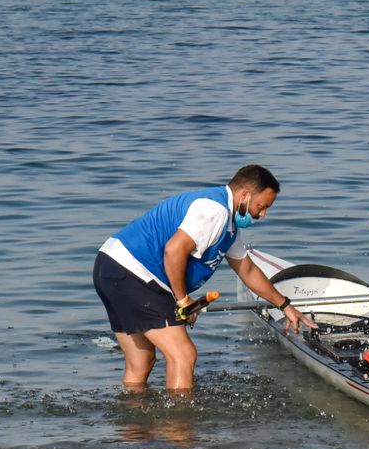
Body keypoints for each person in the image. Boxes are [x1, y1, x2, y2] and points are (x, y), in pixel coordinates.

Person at [94, 164, 314, 391]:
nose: (263, 214)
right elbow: (174, 250)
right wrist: (182, 301)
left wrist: (285, 305)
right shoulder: (215, 212)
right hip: (132, 272)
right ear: (245, 196)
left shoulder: (228, 226)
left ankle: (134, 425)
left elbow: (248, 271)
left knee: (141, 362)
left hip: (110, 266)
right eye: (262, 206)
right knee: (184, 356)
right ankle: (178, 424)